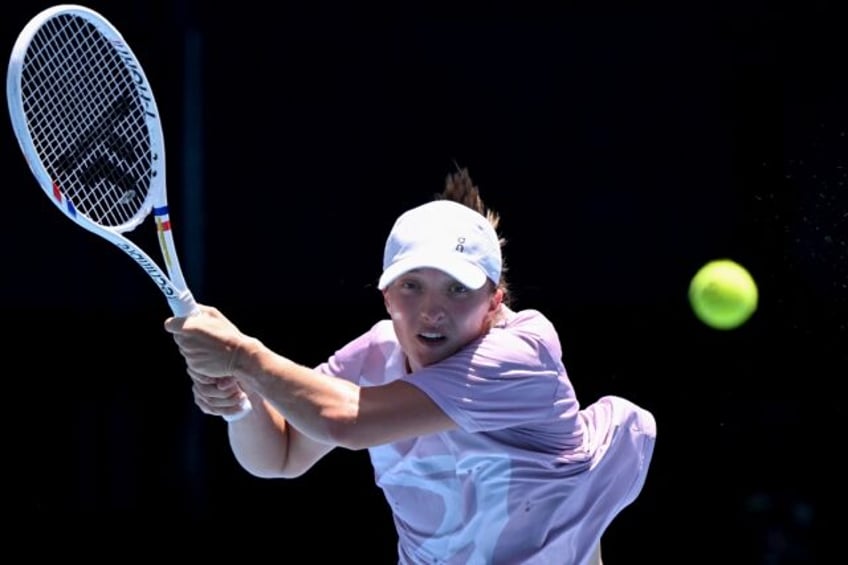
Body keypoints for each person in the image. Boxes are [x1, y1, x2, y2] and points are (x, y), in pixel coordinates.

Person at [165, 167, 656, 564]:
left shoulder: (521, 355)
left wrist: (244, 355)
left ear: (494, 301)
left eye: (457, 289)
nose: (431, 310)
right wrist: (242, 399)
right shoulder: (376, 355)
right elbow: (280, 456)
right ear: (385, 296)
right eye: (412, 286)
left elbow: (345, 421)